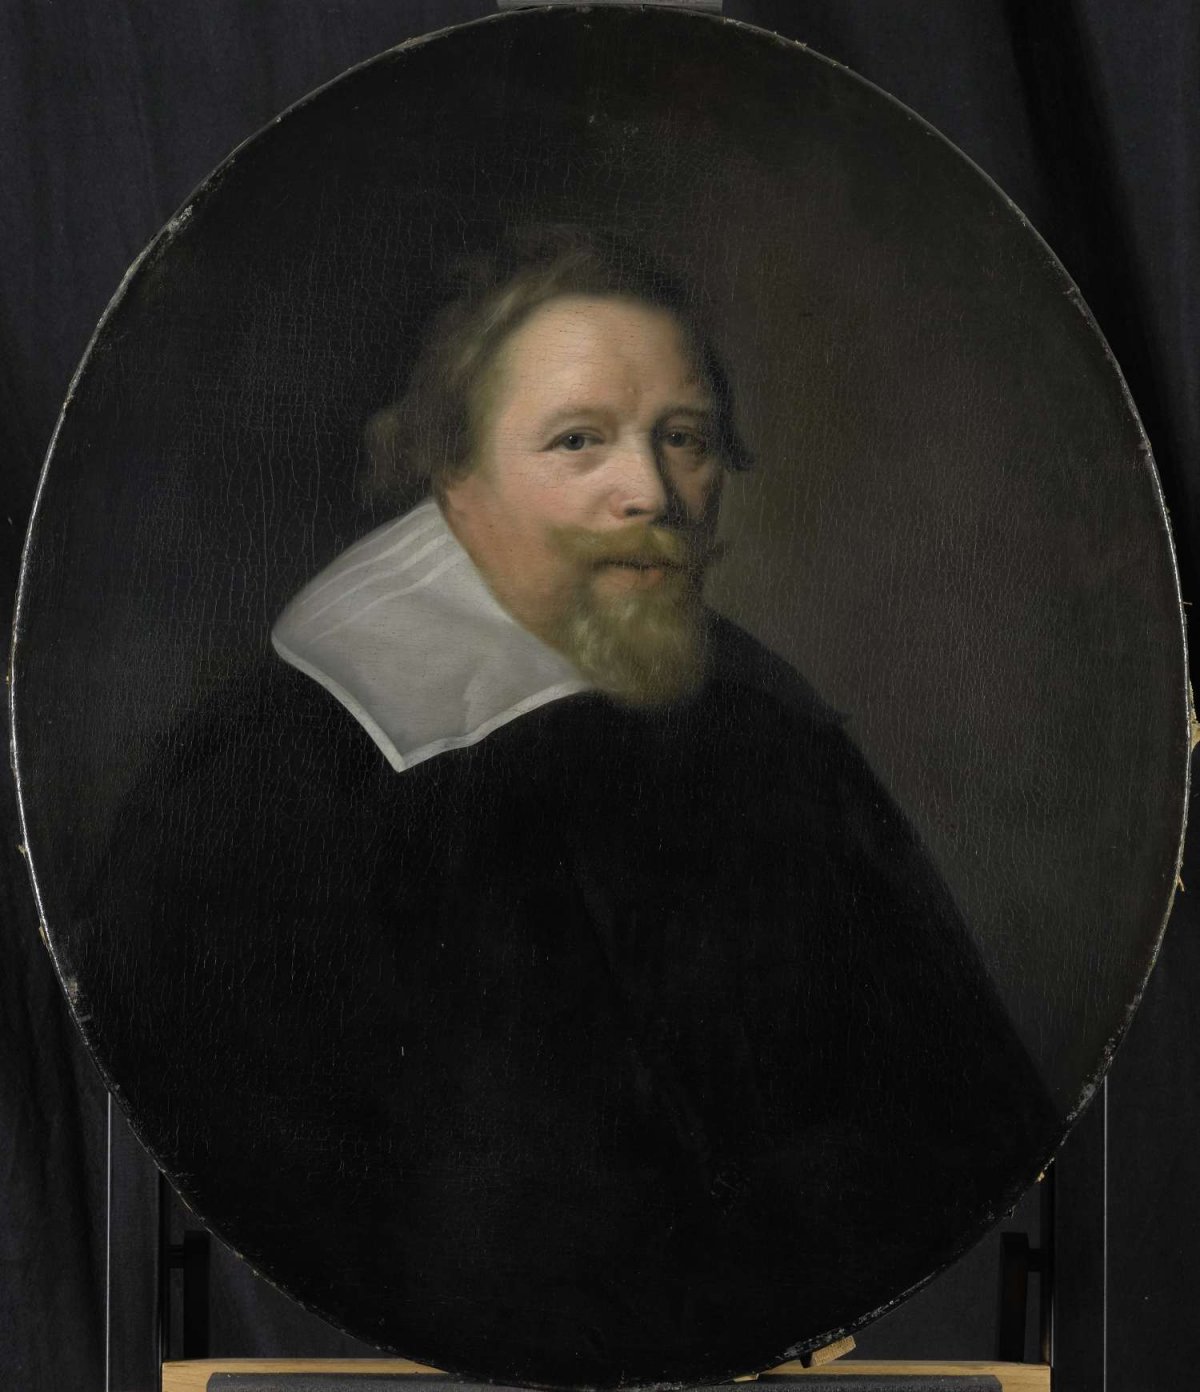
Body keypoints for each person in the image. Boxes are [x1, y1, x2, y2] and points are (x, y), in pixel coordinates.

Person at [90, 228, 1058, 1385]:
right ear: (456, 479)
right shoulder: (284, 776)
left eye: (683, 437)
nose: (649, 490)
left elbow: (973, 1139)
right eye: (578, 441)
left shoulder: (757, 722)